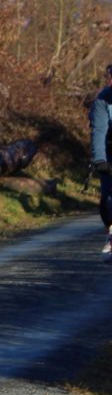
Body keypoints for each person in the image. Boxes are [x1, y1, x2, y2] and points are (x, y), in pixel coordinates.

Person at [88, 64, 112, 260]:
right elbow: (99, 132)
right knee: (108, 198)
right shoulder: (102, 101)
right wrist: (99, 160)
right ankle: (111, 230)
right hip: (109, 149)